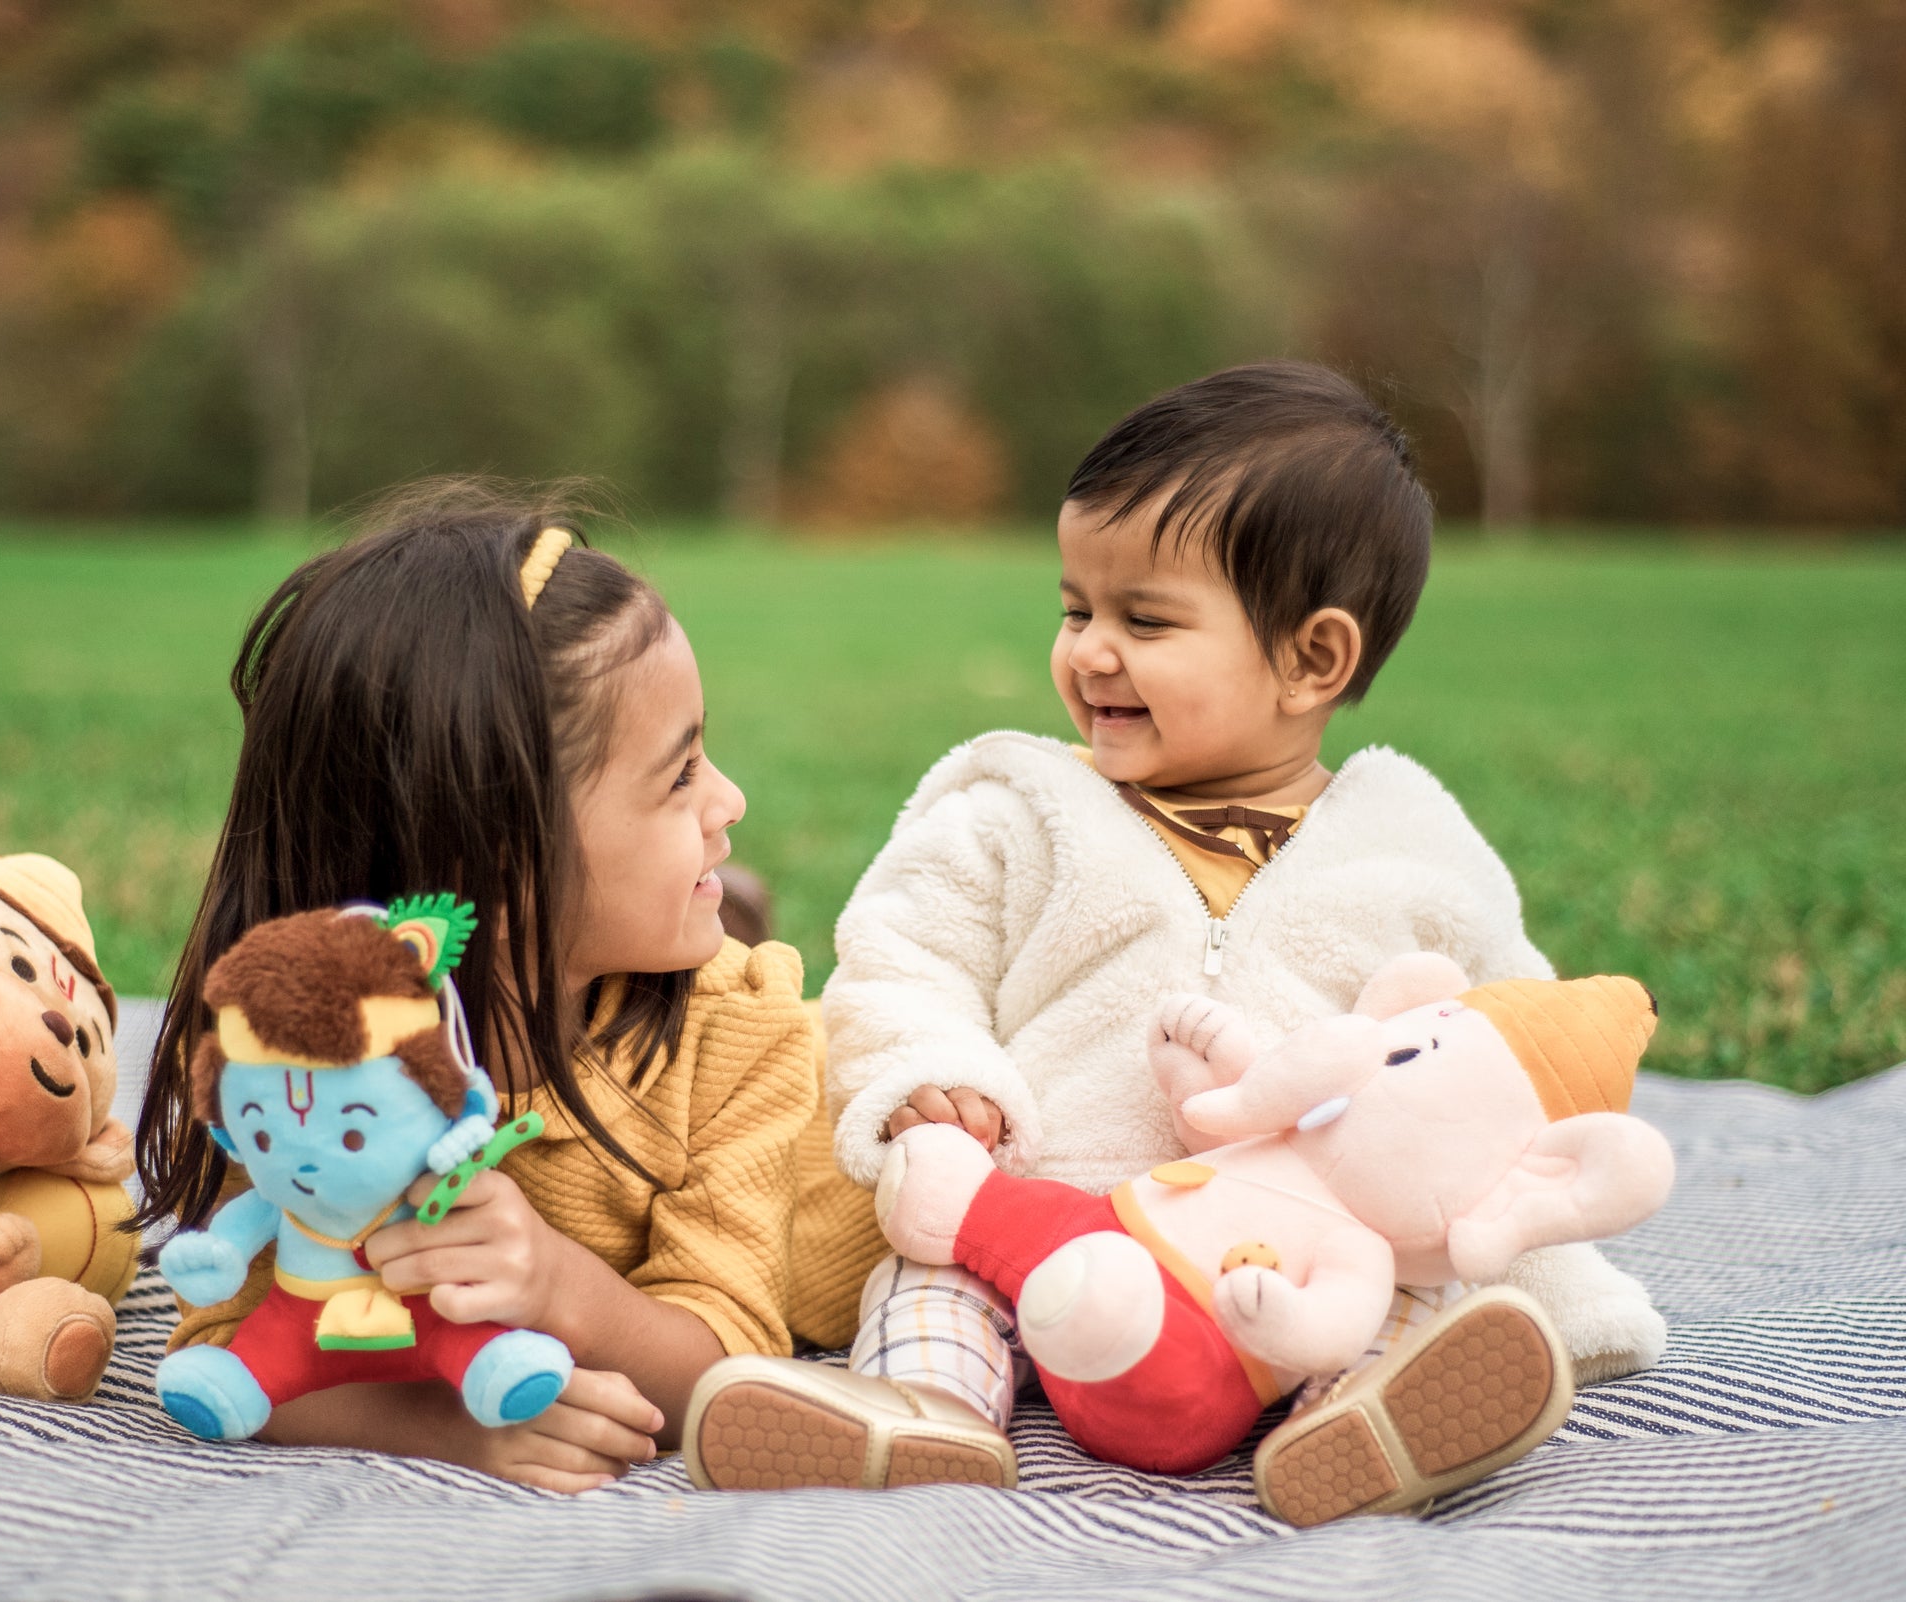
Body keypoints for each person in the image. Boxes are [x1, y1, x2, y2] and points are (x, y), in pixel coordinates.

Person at [685, 364, 1666, 1514]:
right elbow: (901, 961)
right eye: (1075, 609)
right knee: (928, 1272)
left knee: (1413, 1295)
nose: (1091, 651)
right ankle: (923, 1415)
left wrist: (1540, 1265)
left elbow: (1505, 1064)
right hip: (1040, 1234)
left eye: (1143, 620)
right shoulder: (1016, 812)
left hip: (1294, 1268)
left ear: (1315, 659)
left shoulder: (1413, 852)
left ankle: (1357, 1426)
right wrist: (929, 1079)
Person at [132, 480, 882, 1494]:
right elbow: (217, 1354)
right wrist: (443, 1425)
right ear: (500, 857)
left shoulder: (740, 1033)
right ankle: (724, 899)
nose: (730, 797)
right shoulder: (281, 1058)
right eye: (679, 777)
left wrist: (557, 1283)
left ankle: (730, 908)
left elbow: (730, 1358)